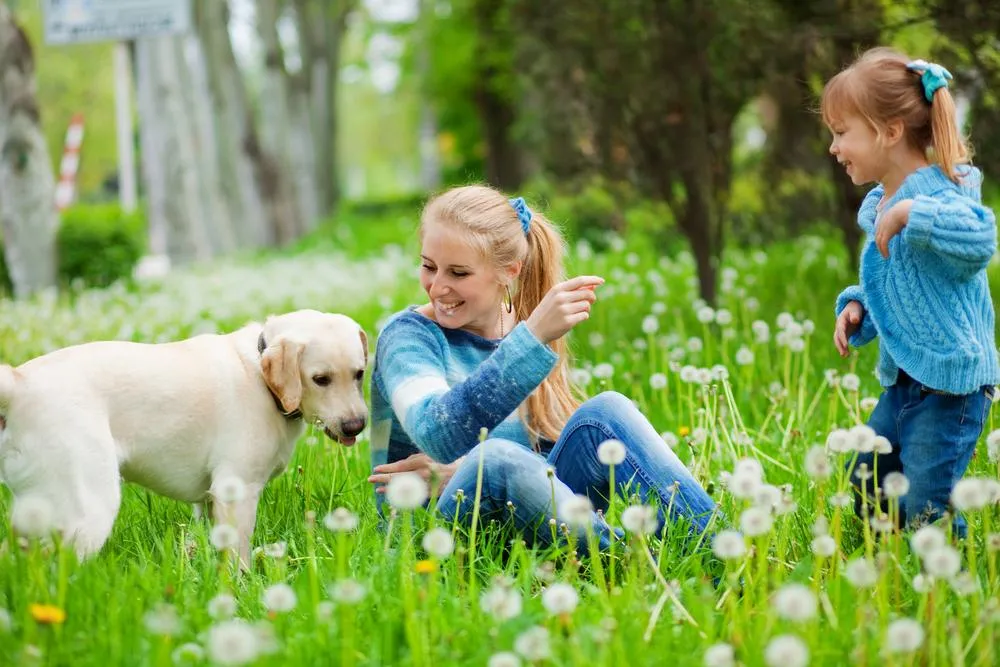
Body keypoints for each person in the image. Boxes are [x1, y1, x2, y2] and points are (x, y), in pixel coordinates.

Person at [366, 184, 718, 549]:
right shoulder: (407, 337)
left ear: (508, 271)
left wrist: (463, 469)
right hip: (437, 534)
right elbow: (436, 434)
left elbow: (539, 460)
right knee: (495, 459)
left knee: (605, 411)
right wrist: (530, 341)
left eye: (458, 273)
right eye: (428, 266)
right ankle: (637, 565)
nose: (437, 287)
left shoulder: (521, 331)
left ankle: (723, 552)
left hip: (535, 516)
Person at [824, 47, 998, 538]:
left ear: (890, 131)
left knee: (925, 502)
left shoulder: (947, 191)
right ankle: (885, 572)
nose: (835, 148)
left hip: (951, 388)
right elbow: (899, 287)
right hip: (903, 382)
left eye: (842, 133)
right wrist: (859, 307)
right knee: (866, 482)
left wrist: (914, 216)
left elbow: (979, 239)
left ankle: (950, 575)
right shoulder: (882, 202)